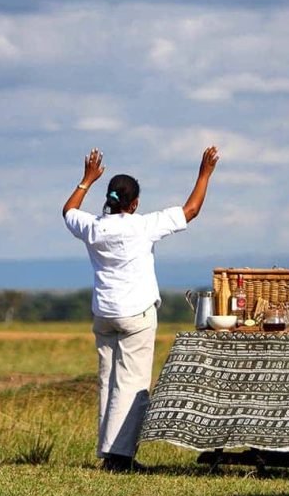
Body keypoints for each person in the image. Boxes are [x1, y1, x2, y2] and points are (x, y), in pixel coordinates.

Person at [62, 145, 220, 472]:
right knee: (132, 385)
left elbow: (68, 211)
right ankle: (121, 458)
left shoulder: (93, 227)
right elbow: (191, 210)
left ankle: (109, 453)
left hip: (104, 314)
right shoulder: (143, 225)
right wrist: (204, 174)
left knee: (108, 381)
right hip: (136, 314)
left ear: (109, 199)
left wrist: (86, 180)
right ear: (134, 204)